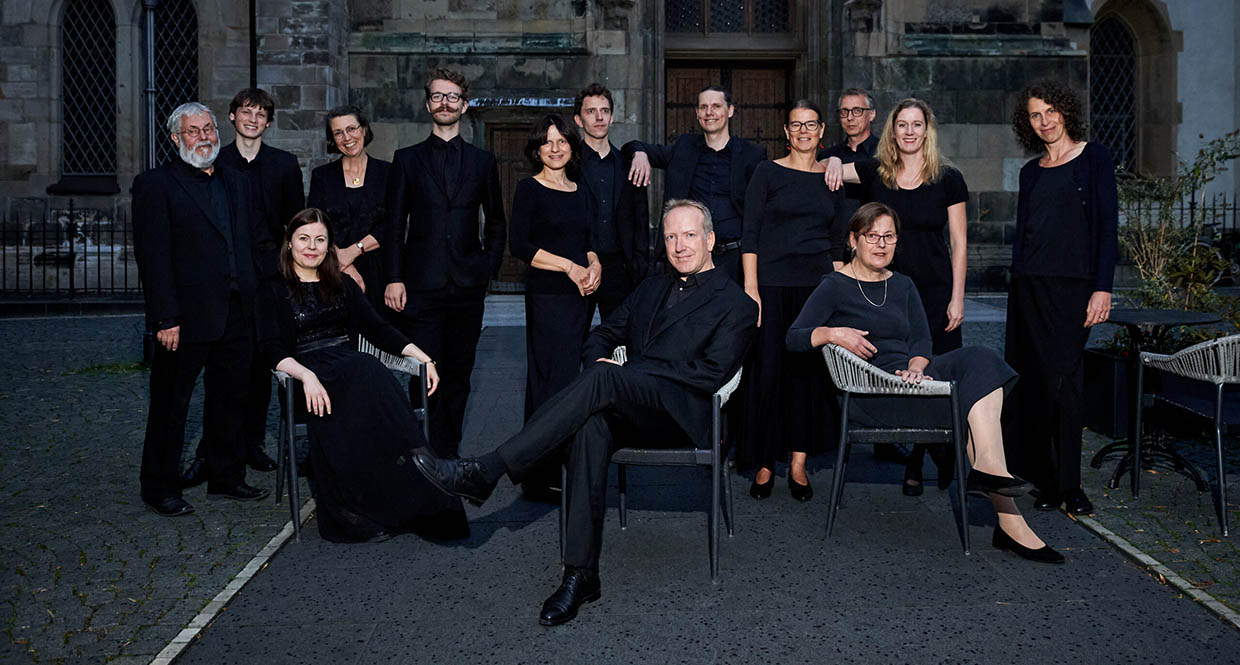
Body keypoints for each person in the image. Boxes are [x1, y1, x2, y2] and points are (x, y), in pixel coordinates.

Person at [412, 200, 758, 626]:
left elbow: (709, 374)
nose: (679, 245)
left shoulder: (737, 303)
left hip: (684, 416)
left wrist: (626, 373)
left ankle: (488, 469)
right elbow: (603, 334)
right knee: (591, 425)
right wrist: (602, 363)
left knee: (606, 380)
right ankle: (580, 574)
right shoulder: (651, 287)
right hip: (631, 404)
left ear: (710, 240)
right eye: (670, 236)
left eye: (689, 235)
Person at [786, 202, 1063, 566]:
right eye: (872, 236)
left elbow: (921, 341)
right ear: (853, 240)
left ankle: (990, 473)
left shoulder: (902, 284)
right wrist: (833, 333)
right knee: (970, 399)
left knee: (981, 359)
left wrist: (917, 366)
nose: (881, 244)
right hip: (875, 394)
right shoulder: (834, 286)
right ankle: (1008, 516)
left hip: (914, 382)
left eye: (889, 237)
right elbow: (794, 337)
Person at [257, 208, 469, 542]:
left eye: (320, 240)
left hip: (349, 372)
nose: (311, 246)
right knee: (365, 370)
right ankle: (356, 508)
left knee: (365, 371)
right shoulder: (272, 289)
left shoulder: (341, 283)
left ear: (330, 246)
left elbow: (377, 328)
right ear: (289, 243)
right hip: (304, 378)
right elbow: (271, 349)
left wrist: (422, 356)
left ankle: (420, 483)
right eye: (303, 238)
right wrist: (307, 376)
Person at [133, 102, 271, 516]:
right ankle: (159, 486)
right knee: (171, 405)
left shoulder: (237, 181)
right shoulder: (155, 185)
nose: (204, 137)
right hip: (185, 318)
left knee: (231, 400)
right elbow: (153, 258)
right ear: (176, 138)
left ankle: (225, 477)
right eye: (193, 131)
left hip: (237, 311)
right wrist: (165, 317)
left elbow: (251, 243)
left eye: (208, 128)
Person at [824, 98, 968, 495]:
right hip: (888, 293)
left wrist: (958, 297)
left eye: (916, 124)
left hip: (936, 290)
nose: (909, 131)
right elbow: (820, 168)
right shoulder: (876, 173)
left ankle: (921, 457)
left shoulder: (949, 178)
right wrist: (832, 160)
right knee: (900, 368)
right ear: (892, 130)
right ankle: (919, 446)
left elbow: (959, 242)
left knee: (935, 372)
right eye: (902, 124)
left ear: (927, 130)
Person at [181, 88, 305, 488]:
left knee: (263, 364)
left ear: (269, 122)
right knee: (223, 372)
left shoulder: (284, 164)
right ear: (232, 117)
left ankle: (252, 444)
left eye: (261, 114)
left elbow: (295, 224)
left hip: (269, 276)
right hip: (228, 277)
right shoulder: (214, 160)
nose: (253, 119)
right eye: (246, 112)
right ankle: (210, 453)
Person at [1003, 80, 1116, 515]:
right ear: (1027, 123)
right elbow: (1024, 235)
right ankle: (1046, 481)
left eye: (1051, 111)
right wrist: (1016, 286)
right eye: (1035, 115)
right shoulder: (1030, 172)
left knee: (1066, 384)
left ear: (1065, 111)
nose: (1045, 121)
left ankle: (1071, 485)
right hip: (1029, 288)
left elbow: (1107, 227)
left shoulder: (1094, 158)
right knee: (1034, 385)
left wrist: (1102, 287)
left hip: (1073, 289)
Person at [383, 67, 507, 459]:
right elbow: (393, 224)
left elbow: (497, 222)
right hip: (420, 285)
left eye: (453, 96)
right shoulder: (406, 160)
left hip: (467, 285)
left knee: (459, 373)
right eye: (438, 96)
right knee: (423, 370)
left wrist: (487, 269)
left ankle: (449, 453)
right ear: (428, 105)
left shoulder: (483, 161)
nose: (445, 103)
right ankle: (423, 452)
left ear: (464, 105)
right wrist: (394, 277)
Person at [738, 100, 847, 502]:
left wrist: (838, 293)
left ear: (822, 131)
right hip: (771, 285)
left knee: (806, 377)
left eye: (810, 124)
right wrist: (751, 289)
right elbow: (750, 234)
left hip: (816, 290)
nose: (803, 131)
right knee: (768, 372)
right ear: (786, 132)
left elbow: (837, 243)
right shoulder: (767, 172)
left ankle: (798, 463)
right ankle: (766, 461)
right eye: (796, 125)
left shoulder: (832, 178)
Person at [508, 114, 599, 500]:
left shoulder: (581, 189)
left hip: (580, 298)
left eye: (562, 140)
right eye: (547, 142)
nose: (555, 148)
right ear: (537, 149)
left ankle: (561, 462)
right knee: (550, 382)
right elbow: (520, 246)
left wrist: (594, 263)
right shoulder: (529, 188)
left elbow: (589, 239)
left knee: (570, 380)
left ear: (572, 147)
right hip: (548, 297)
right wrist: (569, 266)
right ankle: (538, 471)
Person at [623, 85, 766, 283]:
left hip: (734, 261)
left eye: (716, 106)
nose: (709, 112)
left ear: (730, 111)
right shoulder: (684, 147)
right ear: (697, 113)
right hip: (689, 259)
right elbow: (630, 146)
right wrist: (639, 153)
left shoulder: (752, 154)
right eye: (703, 107)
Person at [573, 83, 650, 320]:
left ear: (612, 117)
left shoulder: (630, 164)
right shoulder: (569, 165)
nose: (599, 117)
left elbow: (641, 216)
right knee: (574, 338)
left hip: (621, 269)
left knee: (619, 339)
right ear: (578, 120)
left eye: (604, 111)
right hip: (579, 266)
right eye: (591, 111)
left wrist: (639, 264)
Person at [308, 105, 390, 309]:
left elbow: (393, 223)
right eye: (338, 133)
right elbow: (316, 225)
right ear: (332, 139)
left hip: (382, 271)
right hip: (334, 269)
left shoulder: (388, 173)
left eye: (351, 129)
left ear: (364, 129)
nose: (347, 138)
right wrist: (343, 263)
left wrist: (353, 251)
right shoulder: (322, 176)